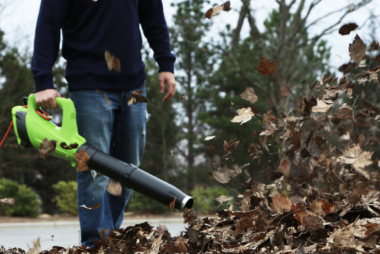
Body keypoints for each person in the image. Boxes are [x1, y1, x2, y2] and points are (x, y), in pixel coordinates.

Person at [31, 0, 176, 247]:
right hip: (88, 84)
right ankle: (95, 244)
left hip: (134, 85)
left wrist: (166, 64)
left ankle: (110, 239)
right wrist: (44, 80)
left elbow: (154, 19)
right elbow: (48, 25)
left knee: (129, 170)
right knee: (94, 169)